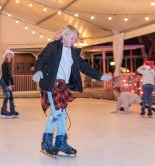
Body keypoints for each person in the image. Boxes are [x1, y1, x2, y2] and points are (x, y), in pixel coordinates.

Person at [32, 25, 112, 156]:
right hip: (52, 84)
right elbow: (42, 59)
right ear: (64, 35)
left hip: (63, 85)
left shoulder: (74, 52)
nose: (74, 41)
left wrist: (100, 76)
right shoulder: (53, 47)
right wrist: (38, 70)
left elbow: (84, 67)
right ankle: (46, 142)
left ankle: (60, 142)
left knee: (62, 113)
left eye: (75, 38)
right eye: (72, 37)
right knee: (56, 113)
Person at [0, 49, 19, 118]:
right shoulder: (5, 64)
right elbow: (5, 75)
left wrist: (12, 83)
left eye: (10, 54)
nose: (9, 55)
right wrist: (8, 85)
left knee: (10, 96)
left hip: (7, 80)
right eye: (8, 54)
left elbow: (9, 75)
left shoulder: (9, 63)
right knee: (7, 96)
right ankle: (3, 111)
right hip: (4, 81)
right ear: (5, 56)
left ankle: (12, 110)